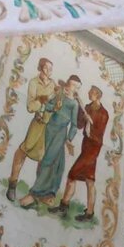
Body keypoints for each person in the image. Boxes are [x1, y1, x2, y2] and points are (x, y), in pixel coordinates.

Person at [20, 75, 84, 208]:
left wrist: (69, 139)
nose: (73, 88)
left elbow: (73, 125)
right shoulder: (59, 95)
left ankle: (33, 194)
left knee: (48, 161)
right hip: (49, 129)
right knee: (51, 162)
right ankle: (47, 195)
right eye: (72, 85)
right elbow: (48, 106)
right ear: (68, 84)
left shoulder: (74, 104)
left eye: (76, 87)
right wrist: (54, 107)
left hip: (60, 133)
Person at [51, 85, 109, 221]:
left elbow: (99, 134)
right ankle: (89, 213)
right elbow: (80, 125)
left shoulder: (103, 113)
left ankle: (64, 206)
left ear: (98, 95)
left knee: (72, 174)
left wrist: (90, 122)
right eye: (89, 92)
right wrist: (82, 114)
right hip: (86, 146)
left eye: (91, 92)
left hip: (93, 148)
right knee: (89, 179)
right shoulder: (87, 107)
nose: (89, 94)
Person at [5, 57, 54, 202]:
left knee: (43, 158)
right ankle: (12, 184)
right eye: (46, 68)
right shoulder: (34, 82)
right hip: (38, 122)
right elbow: (30, 106)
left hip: (49, 124)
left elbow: (55, 103)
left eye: (51, 69)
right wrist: (42, 100)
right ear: (40, 68)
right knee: (24, 150)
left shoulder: (53, 84)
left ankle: (37, 192)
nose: (49, 71)